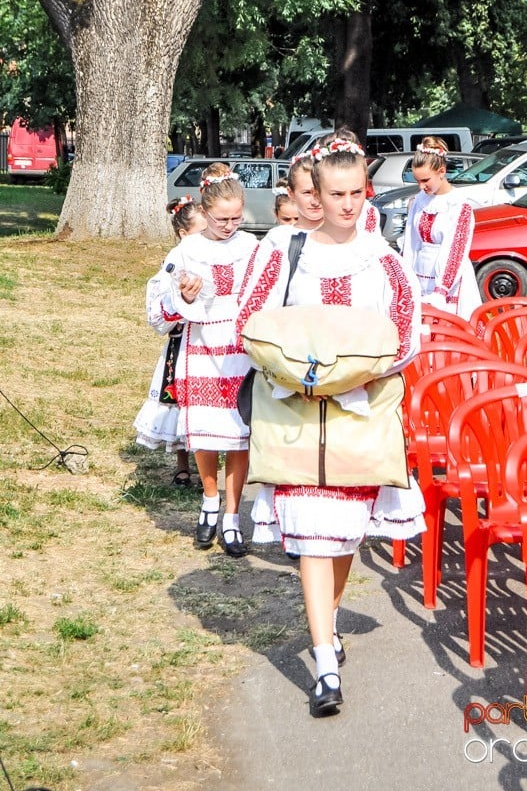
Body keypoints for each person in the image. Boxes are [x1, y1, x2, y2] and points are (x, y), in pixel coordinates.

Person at [237, 138, 425, 716]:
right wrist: (301, 375)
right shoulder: (286, 252)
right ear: (313, 194)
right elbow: (249, 323)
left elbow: (407, 334)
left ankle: (331, 625)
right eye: (335, 193)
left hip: (360, 420)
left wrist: (350, 378)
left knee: (341, 536)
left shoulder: (385, 258)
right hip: (295, 415)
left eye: (355, 192)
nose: (347, 204)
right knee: (315, 540)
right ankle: (324, 663)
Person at [163, 164, 258, 557]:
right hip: (203, 345)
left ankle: (234, 516)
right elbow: (163, 300)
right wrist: (184, 295)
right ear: (205, 211)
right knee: (204, 429)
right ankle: (209, 499)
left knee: (239, 434)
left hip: (240, 347)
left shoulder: (251, 246)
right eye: (222, 219)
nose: (230, 226)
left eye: (237, 218)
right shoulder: (187, 249)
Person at [134, 196, 207, 486]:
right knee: (177, 401)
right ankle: (182, 464)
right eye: (201, 232)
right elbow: (159, 310)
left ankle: (205, 465)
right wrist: (179, 307)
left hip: (206, 339)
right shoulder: (175, 261)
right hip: (182, 341)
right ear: (183, 234)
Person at [402, 136, 481, 319]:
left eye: (426, 180)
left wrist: (442, 289)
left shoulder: (458, 205)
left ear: (442, 172)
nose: (421, 186)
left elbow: (455, 250)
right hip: (420, 271)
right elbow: (411, 244)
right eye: (418, 181)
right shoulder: (418, 201)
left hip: (449, 278)